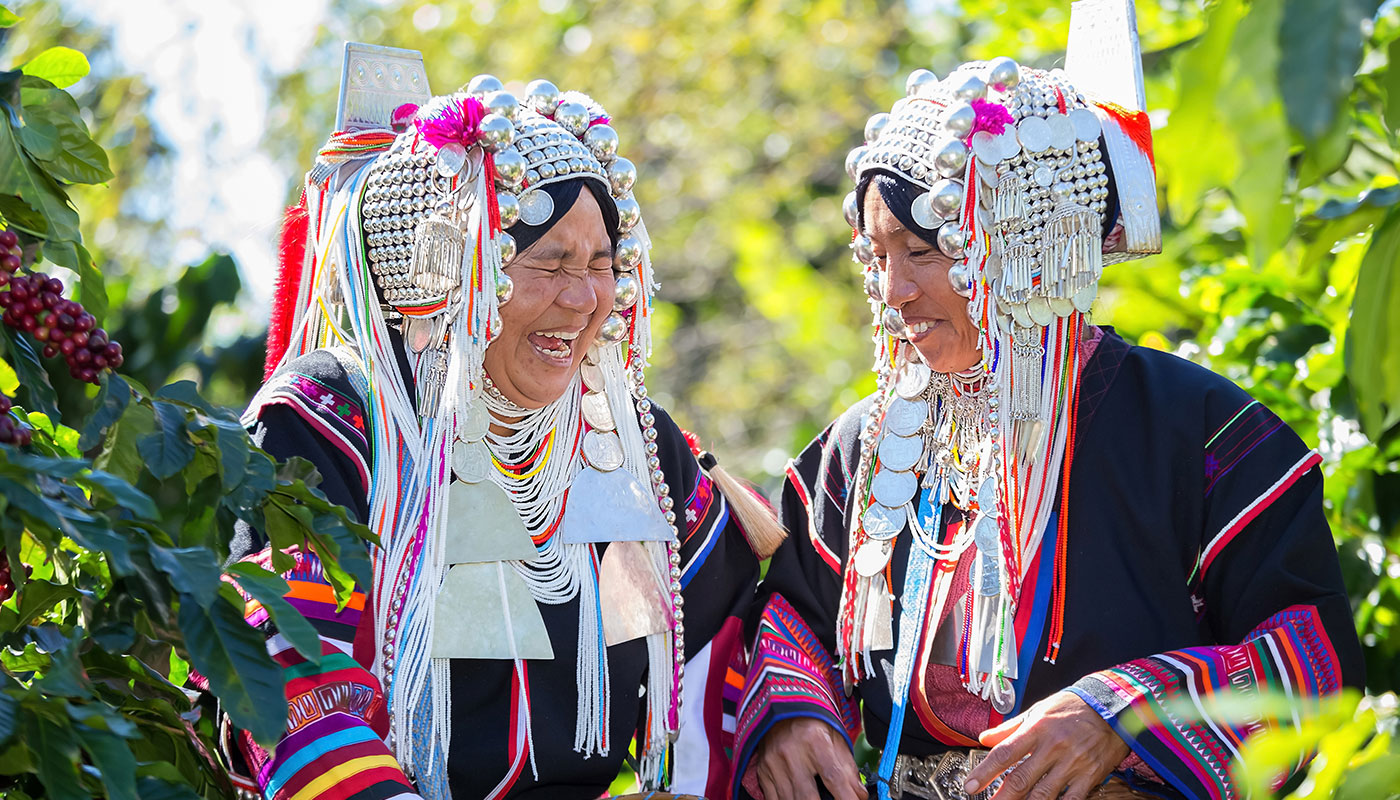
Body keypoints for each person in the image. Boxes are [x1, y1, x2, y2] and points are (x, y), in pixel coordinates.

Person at [730, 15, 1363, 800]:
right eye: (877, 256)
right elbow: (788, 615)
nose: (893, 295)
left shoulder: (1205, 434)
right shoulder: (864, 447)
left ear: (1027, 240)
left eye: (923, 254)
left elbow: (1312, 660)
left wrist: (1123, 714)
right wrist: (794, 709)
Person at [227, 45, 780, 800]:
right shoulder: (337, 421)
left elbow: (745, 607)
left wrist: (790, 717)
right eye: (549, 263)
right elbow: (274, 659)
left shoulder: (626, 439)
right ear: (450, 276)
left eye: (601, 263)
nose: (585, 299)